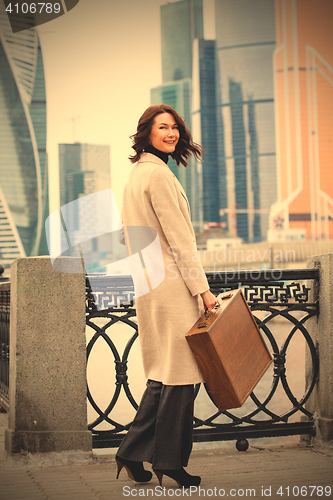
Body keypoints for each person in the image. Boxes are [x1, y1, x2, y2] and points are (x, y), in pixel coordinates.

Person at [115, 104, 217, 487]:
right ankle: (169, 462)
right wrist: (203, 291)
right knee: (179, 377)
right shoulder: (158, 177)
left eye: (175, 127)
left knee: (165, 374)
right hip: (173, 287)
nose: (171, 134)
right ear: (147, 133)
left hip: (149, 284)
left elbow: (129, 235)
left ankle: (132, 452)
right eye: (163, 127)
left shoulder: (136, 176)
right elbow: (181, 242)